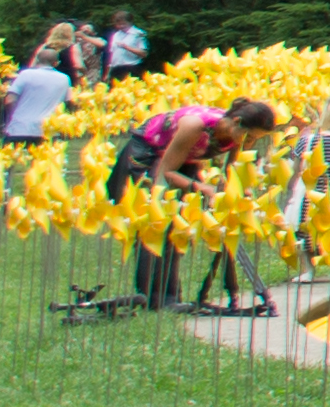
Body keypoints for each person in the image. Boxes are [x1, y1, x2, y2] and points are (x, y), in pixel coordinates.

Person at [107, 96, 280, 309]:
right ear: (235, 122)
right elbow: (166, 172)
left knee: (179, 226)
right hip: (149, 153)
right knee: (155, 223)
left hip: (184, 159)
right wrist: (201, 187)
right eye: (250, 136)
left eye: (256, 139)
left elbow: (231, 170)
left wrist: (238, 192)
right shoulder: (195, 125)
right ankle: (152, 297)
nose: (250, 143)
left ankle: (170, 297)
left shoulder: (235, 136)